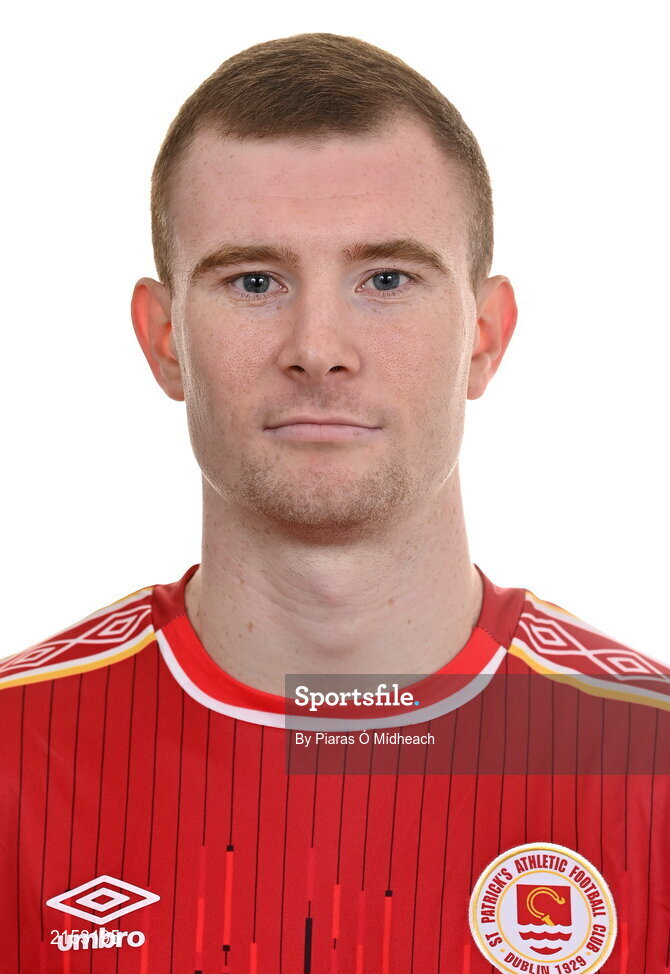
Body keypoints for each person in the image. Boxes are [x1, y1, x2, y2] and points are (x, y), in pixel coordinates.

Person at [1, 32, 668, 974]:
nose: (319, 346)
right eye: (255, 281)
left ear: (484, 335)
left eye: (386, 280)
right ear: (163, 342)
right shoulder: (15, 761)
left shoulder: (653, 762)